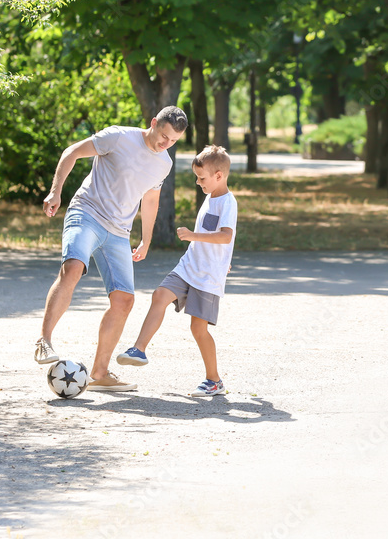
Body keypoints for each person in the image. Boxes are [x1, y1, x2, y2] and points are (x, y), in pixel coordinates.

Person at [34, 107, 187, 392]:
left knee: (124, 300)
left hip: (119, 232)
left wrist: (146, 239)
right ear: (153, 123)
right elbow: (72, 152)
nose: (166, 144)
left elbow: (150, 200)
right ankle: (44, 341)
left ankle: (100, 373)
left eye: (173, 141)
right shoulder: (118, 137)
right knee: (73, 269)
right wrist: (56, 191)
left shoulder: (163, 163)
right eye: (164, 136)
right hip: (87, 213)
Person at [116, 145, 237, 397]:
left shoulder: (228, 202)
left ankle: (214, 380)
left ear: (219, 176)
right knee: (160, 294)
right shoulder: (210, 196)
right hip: (189, 265)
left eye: (201, 178)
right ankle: (139, 349)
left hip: (207, 276)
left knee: (198, 329)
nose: (197, 182)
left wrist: (194, 236)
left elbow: (226, 236)